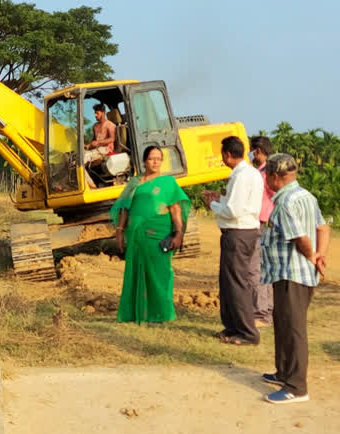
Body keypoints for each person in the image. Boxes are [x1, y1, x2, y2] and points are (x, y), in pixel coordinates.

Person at [260, 154, 329, 404]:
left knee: (293, 329)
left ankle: (296, 387)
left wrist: (311, 255)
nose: (266, 180)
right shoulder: (305, 196)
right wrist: (321, 254)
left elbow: (301, 238)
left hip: (293, 274)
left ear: (276, 177)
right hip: (287, 273)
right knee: (283, 324)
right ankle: (283, 372)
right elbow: (323, 227)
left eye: (267, 175)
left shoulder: (287, 202)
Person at [111, 146, 190, 323]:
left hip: (159, 233)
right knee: (135, 272)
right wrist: (120, 231)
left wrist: (179, 233)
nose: (155, 162)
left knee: (161, 272)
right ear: (144, 161)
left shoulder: (168, 182)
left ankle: (161, 314)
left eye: (159, 159)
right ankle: (134, 313)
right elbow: (125, 207)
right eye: (152, 158)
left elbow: (175, 209)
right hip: (136, 235)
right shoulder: (134, 183)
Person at [202, 136, 264, 345]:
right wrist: (220, 199)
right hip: (242, 232)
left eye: (222, 155)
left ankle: (247, 332)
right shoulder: (251, 173)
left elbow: (233, 211)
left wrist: (212, 204)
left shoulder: (240, 176)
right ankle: (232, 327)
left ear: (228, 154)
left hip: (238, 233)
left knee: (236, 284)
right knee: (229, 283)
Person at [249, 136, 275, 327]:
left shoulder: (265, 173)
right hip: (264, 223)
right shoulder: (263, 171)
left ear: (258, 151)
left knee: (255, 268)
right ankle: (267, 311)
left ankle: (261, 313)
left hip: (261, 222)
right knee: (264, 269)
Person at [82, 104, 116, 188]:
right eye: (94, 113)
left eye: (97, 113)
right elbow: (94, 140)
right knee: (77, 160)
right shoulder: (95, 126)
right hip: (96, 150)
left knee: (81, 162)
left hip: (105, 150)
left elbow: (112, 139)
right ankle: (91, 184)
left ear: (103, 113)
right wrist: (88, 145)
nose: (95, 115)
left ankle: (92, 186)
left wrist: (98, 143)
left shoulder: (110, 125)